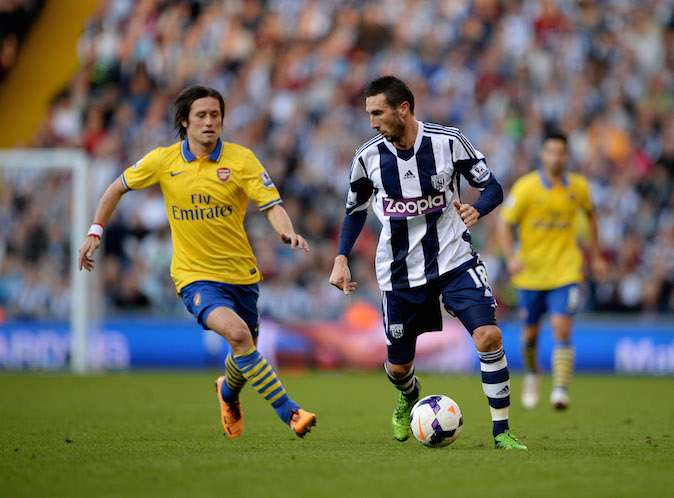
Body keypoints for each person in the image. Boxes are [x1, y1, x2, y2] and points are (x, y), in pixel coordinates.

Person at [78, 85, 316, 438]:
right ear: (184, 121)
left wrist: (287, 231)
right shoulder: (163, 161)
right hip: (195, 277)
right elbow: (116, 188)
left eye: (215, 115)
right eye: (201, 115)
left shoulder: (241, 160)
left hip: (242, 274)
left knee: (244, 348)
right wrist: (95, 232)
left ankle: (227, 392)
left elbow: (272, 205)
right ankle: (290, 411)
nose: (209, 122)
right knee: (238, 335)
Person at [329, 75, 526, 450]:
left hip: (454, 261)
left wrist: (478, 208)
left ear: (403, 109)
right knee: (398, 367)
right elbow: (354, 211)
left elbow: (493, 187)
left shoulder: (448, 142)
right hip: (400, 272)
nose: (372, 122)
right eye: (369, 114)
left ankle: (502, 432)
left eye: (378, 113)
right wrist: (341, 258)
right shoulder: (367, 158)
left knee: (489, 336)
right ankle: (408, 395)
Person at [499, 131, 608, 410]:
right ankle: (533, 373)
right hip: (530, 273)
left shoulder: (579, 187)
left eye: (560, 152)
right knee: (529, 335)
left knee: (561, 328)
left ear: (566, 155)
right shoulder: (526, 187)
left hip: (565, 270)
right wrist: (511, 257)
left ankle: (560, 390)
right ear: (542, 154)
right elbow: (504, 222)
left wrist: (596, 256)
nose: (556, 157)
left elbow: (591, 216)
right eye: (551, 152)